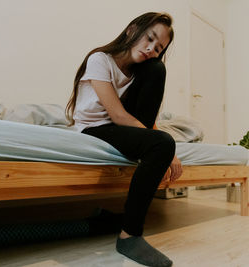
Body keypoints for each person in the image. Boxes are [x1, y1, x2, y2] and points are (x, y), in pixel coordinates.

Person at [66, 12, 183, 267]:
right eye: (149, 38)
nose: (151, 48)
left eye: (158, 47)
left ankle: (119, 222)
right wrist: (163, 145)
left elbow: (142, 117)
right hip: (94, 128)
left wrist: (166, 145)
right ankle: (129, 235)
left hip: (119, 127)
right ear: (132, 30)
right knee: (161, 143)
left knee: (157, 70)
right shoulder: (100, 59)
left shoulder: (142, 70)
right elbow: (119, 116)